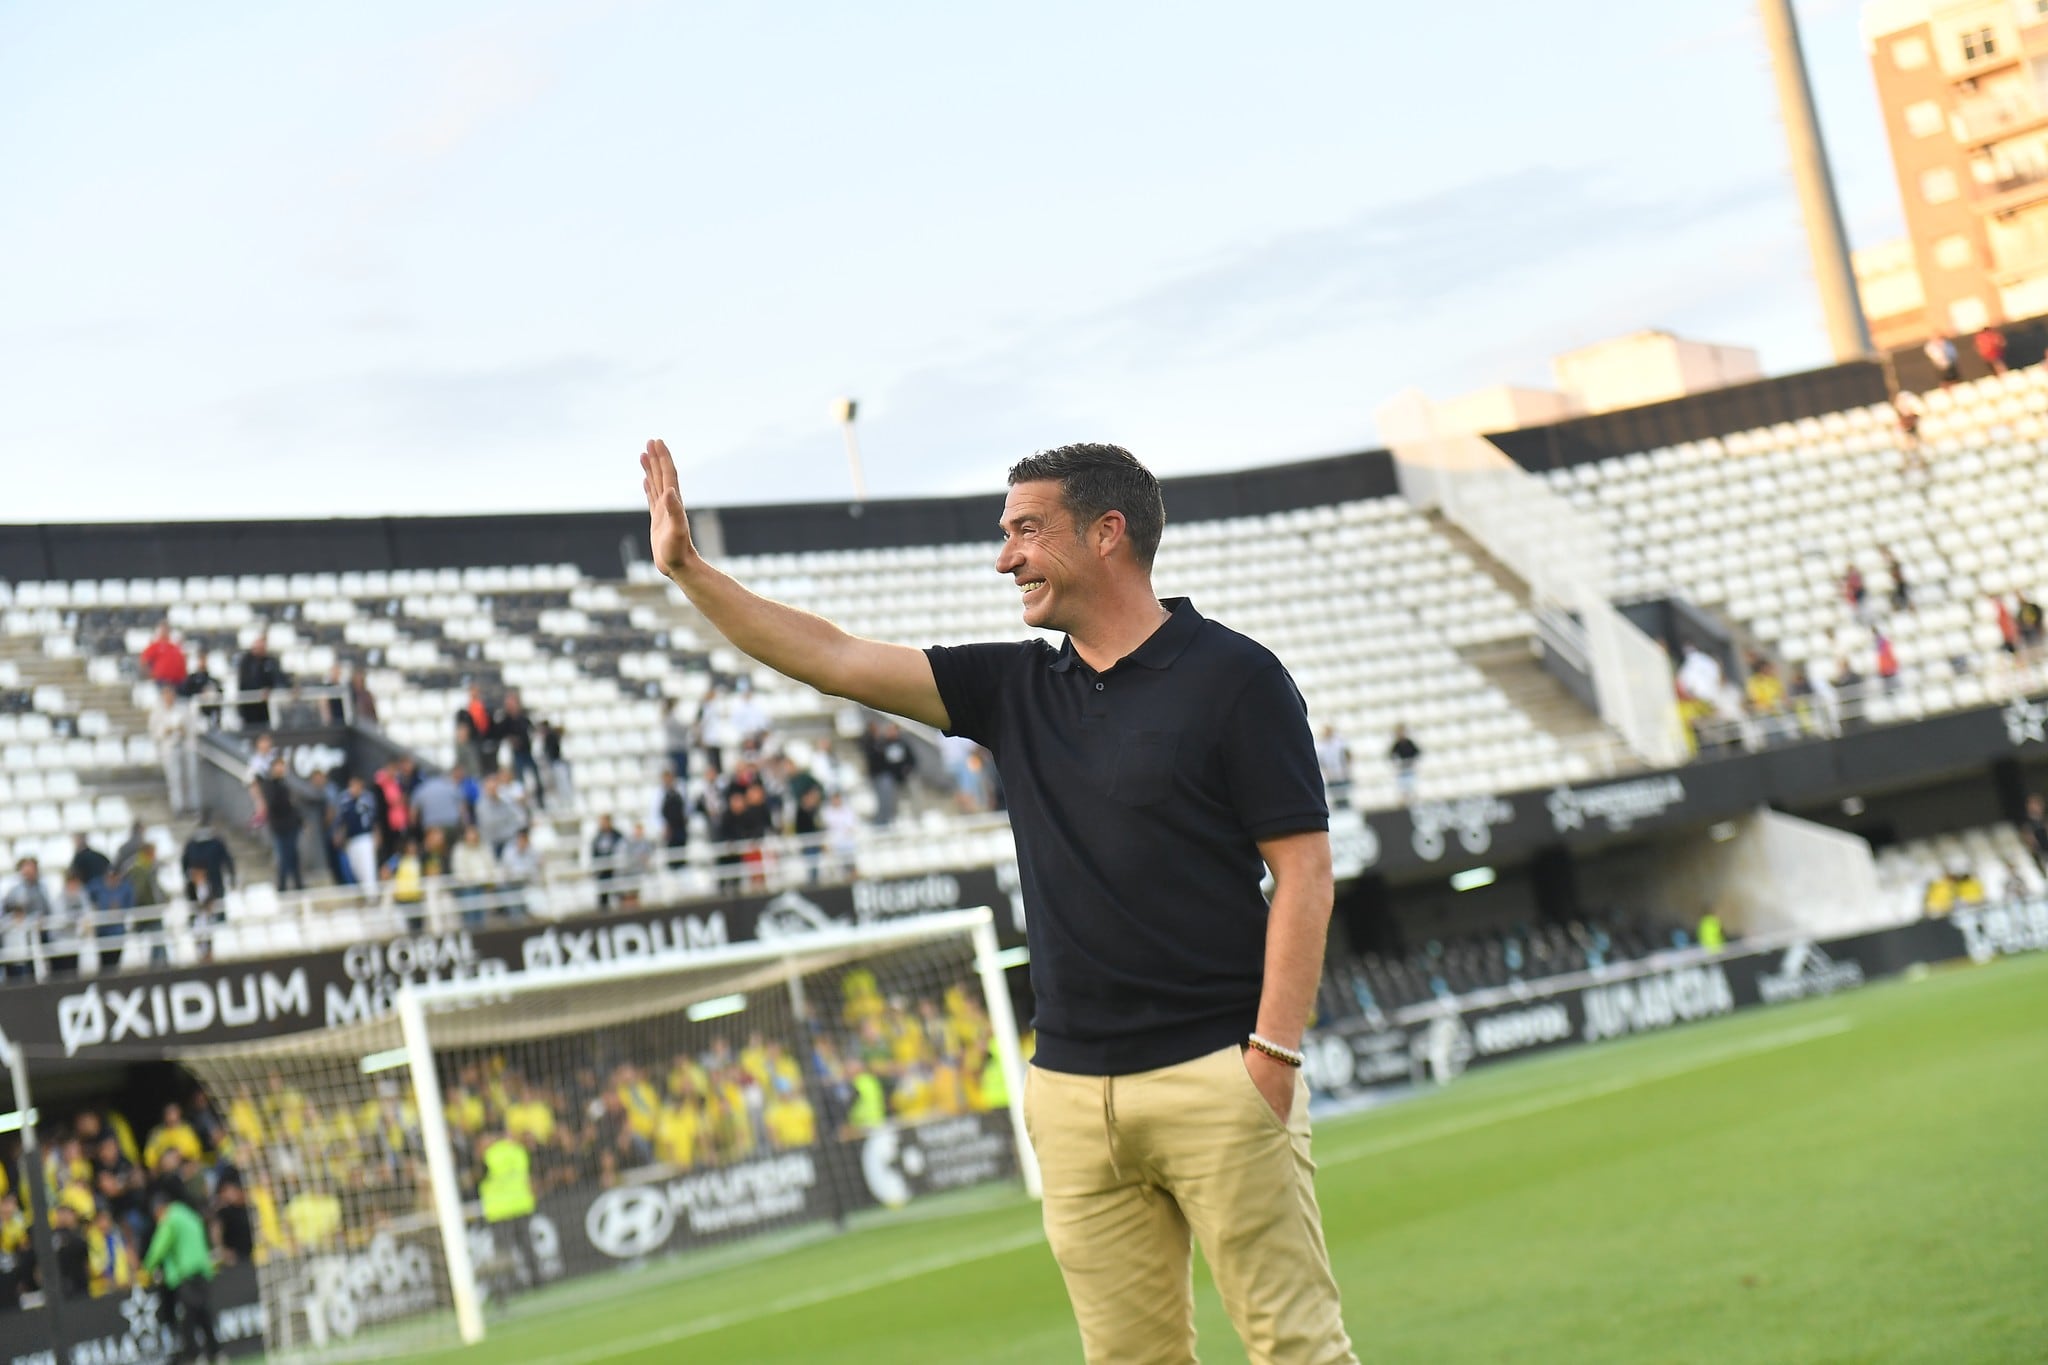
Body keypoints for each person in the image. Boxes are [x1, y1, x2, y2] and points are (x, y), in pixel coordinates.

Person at [638, 437, 1355, 1362]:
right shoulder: (1015, 685)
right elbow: (832, 655)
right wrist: (689, 571)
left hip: (1219, 1078)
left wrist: (1272, 1055)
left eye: (1025, 530)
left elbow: (1305, 869)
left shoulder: (1237, 677)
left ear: (1108, 533)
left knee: (1297, 1349)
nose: (1004, 555)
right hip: (1068, 1091)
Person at [143, 1190, 219, 1363]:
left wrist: (146, 1268)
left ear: (159, 1210)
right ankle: (215, 1352)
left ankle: (194, 1355)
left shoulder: (171, 1218)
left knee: (187, 1317)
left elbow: (159, 1247)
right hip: (202, 1269)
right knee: (203, 1314)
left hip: (186, 1273)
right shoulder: (188, 1214)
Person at [477, 1129, 539, 1296]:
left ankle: (511, 1286)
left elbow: (479, 1177)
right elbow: (527, 1176)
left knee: (505, 1253)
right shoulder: (519, 1152)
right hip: (521, 1205)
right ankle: (538, 1281)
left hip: (499, 1211)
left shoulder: (489, 1155)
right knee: (527, 1246)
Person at [257, 757, 305, 892]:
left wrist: (300, 821)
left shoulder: (286, 784)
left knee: (293, 855)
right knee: (283, 856)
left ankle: (298, 884)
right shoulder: (270, 785)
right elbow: (273, 804)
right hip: (279, 826)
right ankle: (282, 886)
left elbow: (293, 806)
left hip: (291, 825)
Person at [234, 633, 288, 731]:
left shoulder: (270, 661)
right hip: (249, 707)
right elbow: (245, 682)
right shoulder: (246, 662)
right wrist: (259, 691)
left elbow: (278, 678)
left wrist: (271, 689)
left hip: (266, 707)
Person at [140, 621, 189, 691]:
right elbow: (144, 660)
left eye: (167, 629)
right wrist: (151, 675)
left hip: (178, 681)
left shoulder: (175, 645)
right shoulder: (156, 645)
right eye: (163, 629)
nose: (165, 631)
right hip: (162, 681)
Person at [657, 769, 689, 868]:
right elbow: (658, 813)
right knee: (671, 857)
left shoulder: (679, 792)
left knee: (681, 855)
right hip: (669, 831)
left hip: (679, 828)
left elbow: (686, 809)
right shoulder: (660, 795)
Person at [590, 814, 624, 909]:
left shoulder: (617, 835)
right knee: (603, 891)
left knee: (619, 891)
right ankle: (604, 909)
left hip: (615, 869)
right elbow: (594, 853)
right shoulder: (597, 837)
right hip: (603, 870)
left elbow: (622, 850)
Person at [1388, 724, 1421, 803]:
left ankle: (1413, 800)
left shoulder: (1409, 743)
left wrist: (1412, 761)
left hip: (1410, 768)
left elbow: (1417, 752)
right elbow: (1391, 755)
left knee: (1411, 785)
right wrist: (1397, 763)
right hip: (1402, 769)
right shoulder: (1397, 744)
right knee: (1402, 787)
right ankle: (1404, 800)